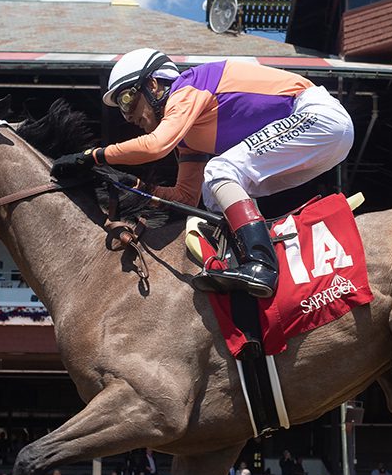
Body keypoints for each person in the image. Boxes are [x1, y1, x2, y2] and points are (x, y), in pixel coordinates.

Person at [50, 49, 354, 297]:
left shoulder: (187, 87)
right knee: (214, 191)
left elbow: (156, 145)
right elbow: (186, 196)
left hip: (318, 117)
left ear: (153, 85)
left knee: (221, 169)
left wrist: (94, 156)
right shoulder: (187, 137)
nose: (127, 115)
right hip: (320, 137)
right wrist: (140, 187)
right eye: (120, 108)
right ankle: (251, 259)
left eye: (128, 99)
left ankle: (261, 261)